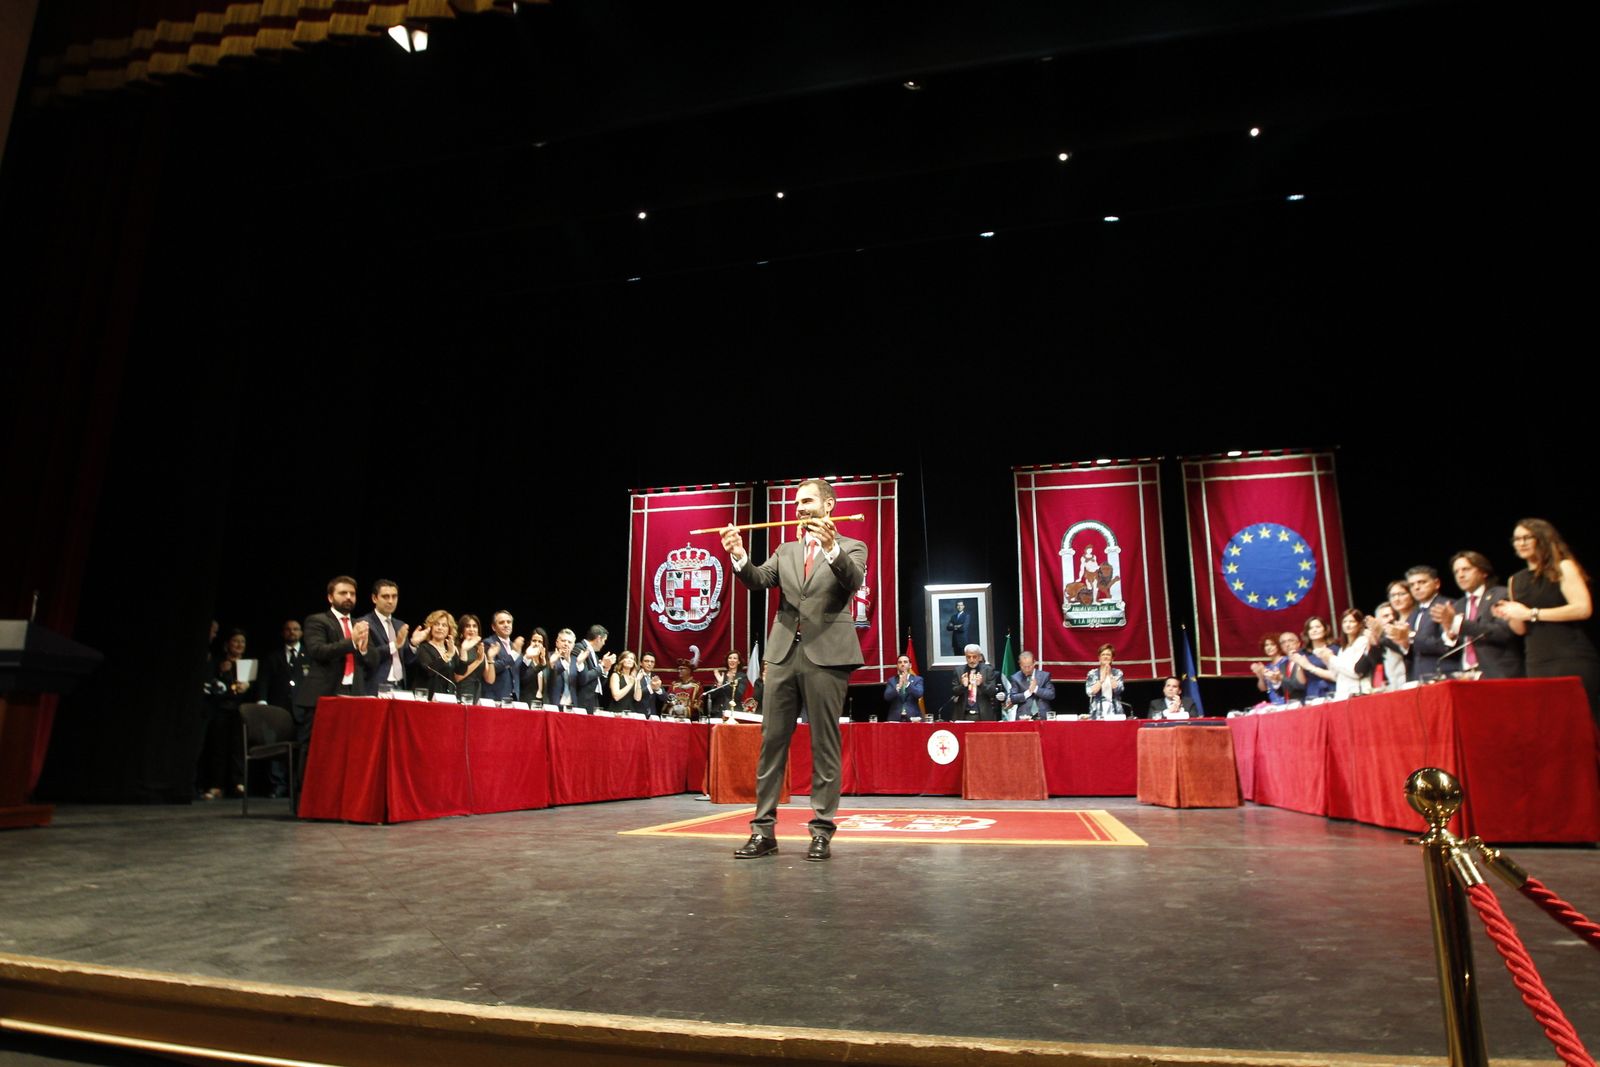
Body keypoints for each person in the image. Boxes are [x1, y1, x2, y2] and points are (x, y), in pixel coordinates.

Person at [721, 477, 866, 862]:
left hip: (828, 656)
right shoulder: (784, 550)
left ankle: (821, 830)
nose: (799, 508)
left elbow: (853, 580)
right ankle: (763, 831)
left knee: (825, 744)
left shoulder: (852, 546)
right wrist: (738, 555)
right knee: (771, 743)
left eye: (806, 501)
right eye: (796, 503)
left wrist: (832, 547)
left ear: (829, 505)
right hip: (783, 655)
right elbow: (757, 580)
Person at [1494, 518, 1600, 721]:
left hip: (1571, 657)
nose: (1521, 543)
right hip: (1537, 660)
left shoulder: (1563, 567)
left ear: (1542, 538)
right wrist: (1509, 614)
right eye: (1516, 539)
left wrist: (1531, 613)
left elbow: (1583, 608)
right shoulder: (1515, 580)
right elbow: (1521, 629)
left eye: (1527, 537)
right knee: (1551, 725)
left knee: (1582, 721)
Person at [294, 576, 377, 753]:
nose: (348, 597)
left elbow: (374, 659)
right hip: (324, 693)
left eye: (352, 594)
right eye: (343, 593)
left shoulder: (360, 624)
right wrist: (352, 642)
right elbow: (318, 651)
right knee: (314, 748)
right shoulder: (317, 621)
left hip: (353, 692)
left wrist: (363, 649)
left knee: (345, 747)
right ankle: (306, 782)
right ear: (330, 597)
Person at [1433, 550, 1523, 678]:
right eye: (1456, 572)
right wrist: (1450, 634)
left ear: (1484, 572)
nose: (1460, 575)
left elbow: (1504, 632)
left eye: (1466, 569)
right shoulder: (1457, 606)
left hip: (1498, 673)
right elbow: (1452, 650)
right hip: (1466, 675)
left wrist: (1458, 624)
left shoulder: (1500, 595)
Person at [199, 629, 253, 799]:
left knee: (238, 748)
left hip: (241, 711)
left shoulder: (248, 665)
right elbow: (212, 687)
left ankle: (238, 783)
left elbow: (252, 691)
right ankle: (216, 785)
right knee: (218, 748)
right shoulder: (218, 663)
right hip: (221, 710)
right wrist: (223, 673)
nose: (239, 645)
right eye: (235, 641)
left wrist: (248, 687)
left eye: (242, 642)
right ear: (227, 645)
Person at [358, 578, 413, 695]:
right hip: (375, 685)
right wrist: (394, 645)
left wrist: (414, 644)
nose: (390, 601)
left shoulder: (400, 625)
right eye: (385, 596)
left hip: (400, 686)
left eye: (394, 596)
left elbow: (408, 660)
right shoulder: (364, 623)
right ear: (374, 598)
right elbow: (368, 656)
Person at [410, 610, 461, 697]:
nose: (440, 628)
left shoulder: (450, 648)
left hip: (447, 697)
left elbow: (460, 671)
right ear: (430, 627)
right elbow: (429, 670)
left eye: (444, 625)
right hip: (426, 696)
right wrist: (448, 655)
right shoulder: (423, 648)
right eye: (436, 624)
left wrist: (462, 651)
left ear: (449, 630)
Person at [1328, 609, 1375, 698]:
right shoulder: (1342, 648)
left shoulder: (1363, 641)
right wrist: (1326, 659)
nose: (1348, 625)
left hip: (1358, 693)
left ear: (1360, 624)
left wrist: (1331, 658)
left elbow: (1356, 672)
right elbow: (1337, 675)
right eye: (1345, 622)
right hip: (1343, 694)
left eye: (1352, 621)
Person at [951, 644, 1005, 721]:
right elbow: (954, 692)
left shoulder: (988, 670)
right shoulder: (959, 670)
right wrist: (963, 686)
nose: (971, 660)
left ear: (979, 657)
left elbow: (993, 692)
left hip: (983, 715)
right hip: (963, 715)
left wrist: (981, 684)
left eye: (974, 657)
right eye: (968, 657)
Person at [259, 619, 303, 713]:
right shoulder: (273, 656)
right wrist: (262, 700)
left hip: (303, 709)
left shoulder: (310, 655)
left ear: (301, 633)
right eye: (288, 629)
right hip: (278, 708)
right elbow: (264, 680)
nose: (292, 632)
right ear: (283, 633)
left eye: (295, 629)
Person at [1289, 616, 1339, 699]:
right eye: (1311, 628)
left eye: (1318, 627)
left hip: (1333, 689)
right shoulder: (1302, 652)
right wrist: (1297, 662)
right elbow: (1302, 682)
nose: (1314, 630)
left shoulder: (1335, 649)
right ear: (1307, 632)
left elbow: (1337, 676)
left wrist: (1309, 666)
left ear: (1325, 629)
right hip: (1312, 693)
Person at [481, 610, 522, 702]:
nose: (506, 625)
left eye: (509, 622)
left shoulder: (514, 645)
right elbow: (491, 668)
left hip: (513, 700)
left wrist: (528, 659)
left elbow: (519, 673)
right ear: (493, 627)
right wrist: (513, 655)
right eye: (501, 622)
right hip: (495, 698)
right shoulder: (488, 643)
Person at [573, 624, 615, 712]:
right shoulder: (580, 648)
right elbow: (584, 678)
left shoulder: (594, 655)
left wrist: (605, 670)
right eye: (604, 640)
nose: (604, 643)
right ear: (599, 638)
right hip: (582, 699)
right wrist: (601, 666)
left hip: (593, 699)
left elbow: (597, 682)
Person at [452, 613, 493, 702]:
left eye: (475, 626)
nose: (471, 629)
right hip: (460, 694)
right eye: (467, 626)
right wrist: (477, 661)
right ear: (462, 630)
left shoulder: (480, 649)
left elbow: (489, 679)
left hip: (477, 695)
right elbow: (457, 677)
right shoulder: (457, 648)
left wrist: (490, 657)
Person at [1007, 650, 1056, 720]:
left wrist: (1036, 689)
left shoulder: (1044, 676)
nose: (1027, 669)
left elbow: (1051, 694)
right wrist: (1028, 693)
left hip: (1043, 716)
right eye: (1024, 667)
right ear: (1020, 664)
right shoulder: (1015, 678)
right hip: (1023, 717)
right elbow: (1013, 698)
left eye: (1029, 666)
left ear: (1034, 663)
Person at [1085, 643, 1125, 718]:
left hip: (1115, 710)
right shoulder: (1092, 673)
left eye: (1108, 655)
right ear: (1099, 658)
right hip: (1097, 710)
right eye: (1103, 654)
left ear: (1112, 658)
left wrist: (1110, 675)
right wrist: (1102, 679)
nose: (1105, 657)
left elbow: (1119, 690)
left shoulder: (1118, 673)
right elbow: (1090, 692)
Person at [882, 654, 924, 721]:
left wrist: (907, 684)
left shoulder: (918, 679)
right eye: (900, 662)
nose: (902, 664)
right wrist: (898, 686)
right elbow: (887, 697)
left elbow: (919, 694)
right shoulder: (891, 680)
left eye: (905, 662)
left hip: (913, 718)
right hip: (895, 718)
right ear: (897, 666)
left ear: (910, 665)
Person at [1249, 633, 1285, 704]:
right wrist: (1260, 675)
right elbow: (1263, 689)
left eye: (1272, 644)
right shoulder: (1268, 666)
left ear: (1279, 646)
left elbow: (1289, 682)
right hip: (1274, 703)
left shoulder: (1285, 661)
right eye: (1266, 645)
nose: (1269, 647)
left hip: (1286, 702)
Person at [519, 627, 550, 704]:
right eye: (534, 641)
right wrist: (540, 666)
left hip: (543, 703)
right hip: (527, 702)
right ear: (529, 642)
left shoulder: (546, 661)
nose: (537, 644)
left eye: (540, 642)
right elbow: (524, 680)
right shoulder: (523, 659)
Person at [635, 651, 666, 717]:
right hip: (637, 714)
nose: (649, 664)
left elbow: (664, 698)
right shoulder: (635, 676)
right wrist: (650, 687)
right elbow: (634, 695)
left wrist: (658, 690)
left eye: (652, 662)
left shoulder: (655, 677)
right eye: (646, 661)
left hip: (652, 715)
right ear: (640, 663)